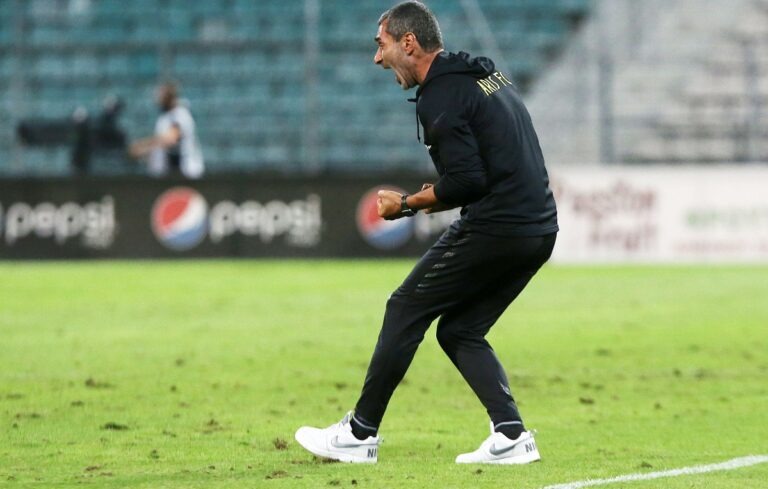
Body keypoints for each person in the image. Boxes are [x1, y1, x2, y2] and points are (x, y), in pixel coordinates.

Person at [295, 1, 558, 464]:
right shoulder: (481, 73)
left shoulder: (441, 95)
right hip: (539, 227)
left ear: (409, 42)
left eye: (381, 45)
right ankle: (511, 435)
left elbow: (467, 181)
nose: (377, 58)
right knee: (460, 330)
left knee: (404, 307)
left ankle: (359, 433)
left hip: (498, 225)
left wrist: (406, 205)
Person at [129, 81, 204, 179]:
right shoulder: (164, 117)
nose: (157, 98)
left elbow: (171, 138)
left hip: (183, 173)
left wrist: (143, 147)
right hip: (166, 173)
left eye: (160, 94)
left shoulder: (180, 114)